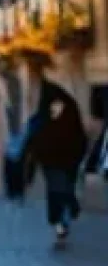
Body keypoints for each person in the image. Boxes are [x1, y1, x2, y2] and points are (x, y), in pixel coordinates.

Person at [28, 74, 88, 243]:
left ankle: (61, 220)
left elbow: (38, 134)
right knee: (62, 187)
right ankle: (63, 218)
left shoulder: (49, 111)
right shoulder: (67, 107)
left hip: (55, 157)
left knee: (58, 189)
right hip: (64, 156)